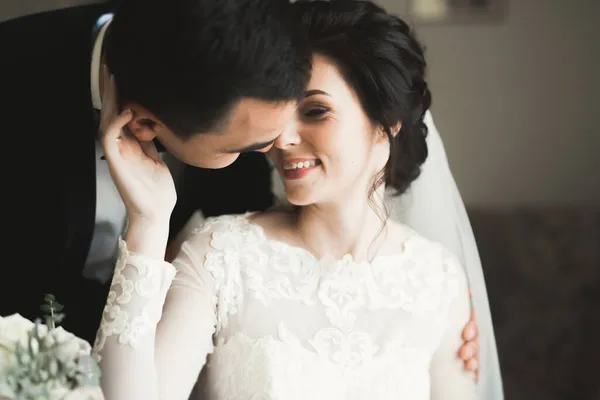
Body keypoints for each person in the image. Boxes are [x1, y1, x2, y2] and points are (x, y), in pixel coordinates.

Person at [92, 1, 499, 398]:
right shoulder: (220, 256)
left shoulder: (437, 280)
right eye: (282, 116)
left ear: (386, 124)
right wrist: (149, 222)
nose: (280, 139)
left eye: (316, 111)